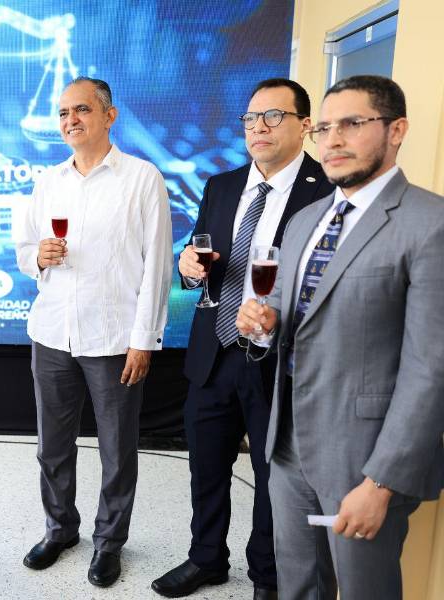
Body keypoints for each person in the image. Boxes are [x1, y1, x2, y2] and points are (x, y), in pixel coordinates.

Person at [236, 75, 444, 599]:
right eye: (324, 128)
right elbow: (286, 317)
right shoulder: (306, 220)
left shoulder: (430, 223)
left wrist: (381, 482)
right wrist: (261, 328)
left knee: (362, 591)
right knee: (297, 585)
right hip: (286, 447)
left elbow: (431, 369)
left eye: (353, 124)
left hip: (364, 459)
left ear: (397, 130)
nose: (332, 140)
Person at [152, 79, 334, 600]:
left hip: (281, 359)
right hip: (215, 352)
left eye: (273, 116)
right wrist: (186, 267)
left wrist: (280, 316)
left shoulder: (324, 192)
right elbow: (198, 256)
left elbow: (330, 284)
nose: (258, 127)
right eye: (251, 118)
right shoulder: (222, 185)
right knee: (206, 467)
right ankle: (206, 559)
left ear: (303, 125)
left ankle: (267, 576)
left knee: (271, 479)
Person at [16, 76, 173, 588]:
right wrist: (36, 257)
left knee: (116, 449)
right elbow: (24, 250)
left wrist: (144, 338)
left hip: (113, 339)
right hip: (53, 333)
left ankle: (109, 542)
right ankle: (60, 528)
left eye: (81, 109)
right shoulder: (48, 180)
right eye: (63, 113)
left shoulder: (142, 178)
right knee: (52, 447)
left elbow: (157, 268)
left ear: (109, 115)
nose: (70, 121)